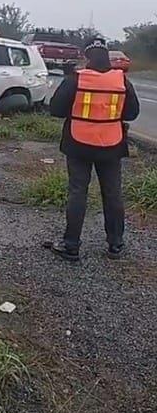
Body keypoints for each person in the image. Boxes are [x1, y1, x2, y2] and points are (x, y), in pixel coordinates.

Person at [49, 37, 140, 261]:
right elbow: (131, 113)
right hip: (111, 145)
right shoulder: (122, 80)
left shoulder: (76, 78)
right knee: (112, 193)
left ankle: (71, 245)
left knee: (78, 192)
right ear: (106, 55)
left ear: (86, 56)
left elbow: (56, 109)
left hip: (78, 144)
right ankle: (115, 244)